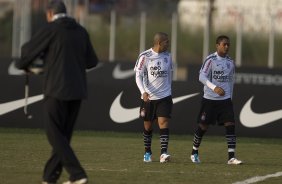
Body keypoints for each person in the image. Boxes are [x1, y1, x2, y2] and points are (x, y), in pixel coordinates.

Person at [16, 1, 99, 184]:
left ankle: (77, 174)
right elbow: (92, 61)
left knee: (54, 134)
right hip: (78, 90)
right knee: (63, 136)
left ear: (50, 13)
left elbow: (28, 51)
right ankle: (50, 177)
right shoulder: (81, 31)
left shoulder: (51, 29)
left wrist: (24, 65)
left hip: (56, 89)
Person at [190, 35, 242, 165]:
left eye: (228, 45)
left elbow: (231, 81)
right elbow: (201, 77)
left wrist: (230, 97)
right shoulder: (210, 59)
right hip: (209, 100)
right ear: (217, 45)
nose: (227, 47)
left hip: (225, 101)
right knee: (203, 126)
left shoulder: (230, 62)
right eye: (224, 44)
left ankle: (231, 157)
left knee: (230, 125)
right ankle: (194, 152)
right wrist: (214, 88)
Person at [134, 32, 173, 163]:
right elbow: (138, 76)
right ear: (159, 43)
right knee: (148, 126)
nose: (168, 44)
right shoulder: (145, 56)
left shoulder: (168, 56)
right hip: (149, 97)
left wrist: (168, 91)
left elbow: (169, 75)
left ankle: (163, 154)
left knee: (163, 123)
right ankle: (147, 152)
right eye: (166, 42)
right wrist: (143, 92)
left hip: (164, 96)